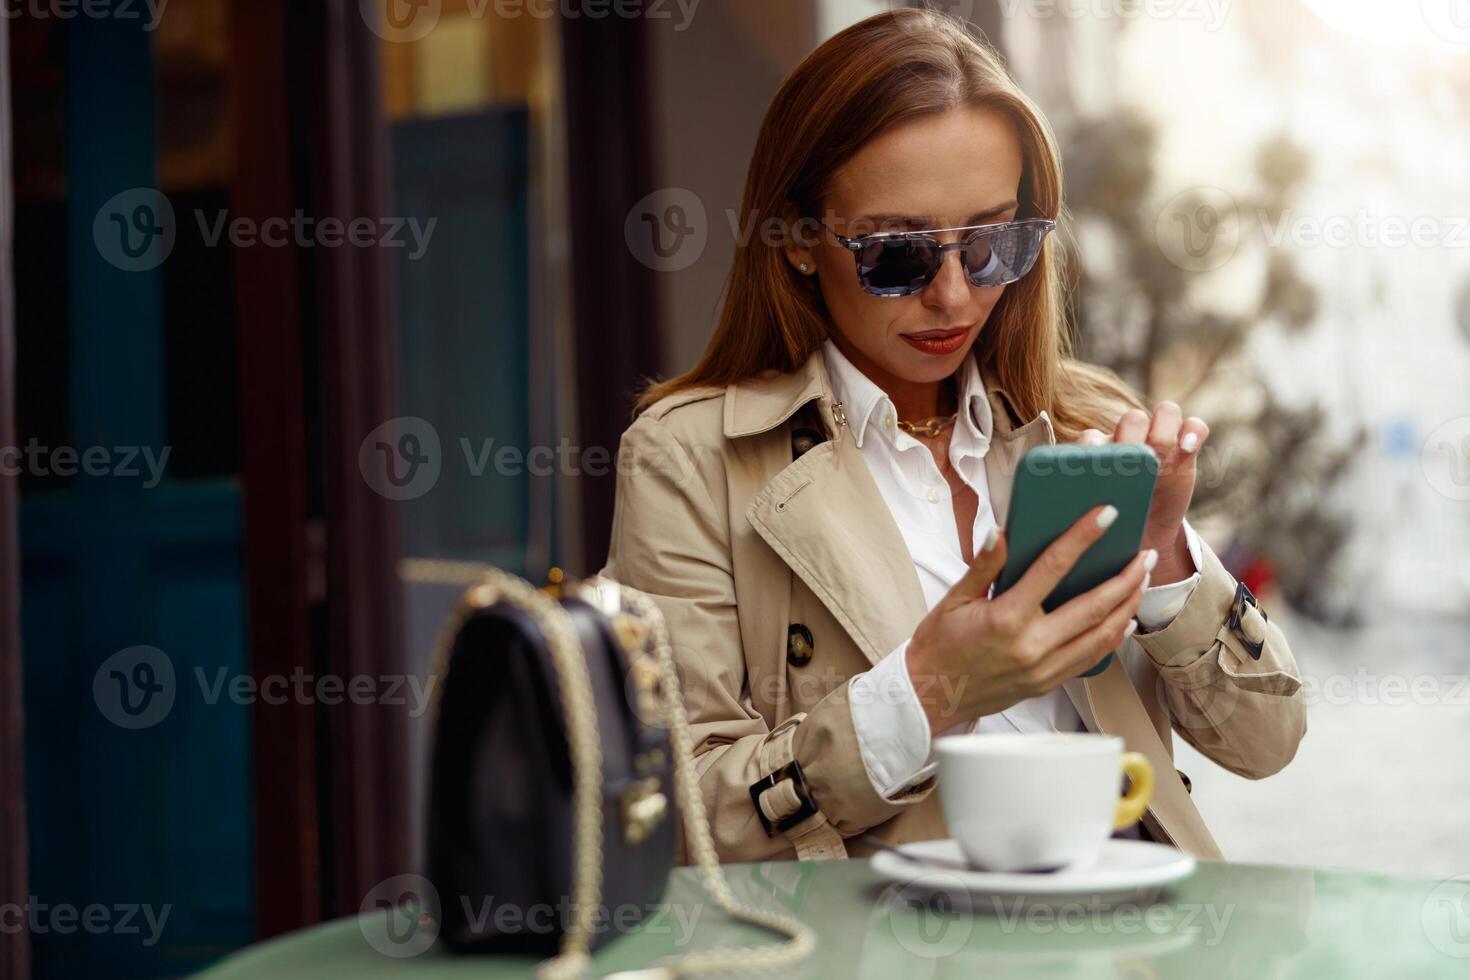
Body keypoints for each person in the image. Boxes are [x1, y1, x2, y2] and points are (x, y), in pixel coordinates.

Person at [602, 9, 1304, 862]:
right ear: (792, 240)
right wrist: (928, 693)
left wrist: (1167, 563)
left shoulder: (1077, 425)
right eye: (896, 254)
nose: (954, 297)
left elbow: (1267, 742)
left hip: (1128, 935)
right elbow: (677, 819)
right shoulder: (690, 460)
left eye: (992, 244)